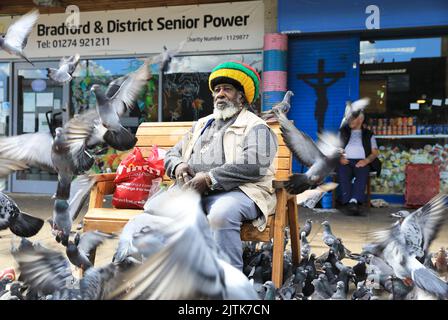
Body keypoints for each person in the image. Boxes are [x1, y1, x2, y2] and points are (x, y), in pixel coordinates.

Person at [164, 61, 278, 271]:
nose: (220, 94)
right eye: (217, 90)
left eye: (227, 89)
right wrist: (179, 165)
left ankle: (229, 283)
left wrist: (209, 178)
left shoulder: (257, 126)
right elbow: (171, 154)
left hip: (241, 192)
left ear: (242, 96)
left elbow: (254, 164)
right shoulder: (201, 125)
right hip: (195, 191)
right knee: (160, 211)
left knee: (221, 214)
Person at [337, 112, 381, 215]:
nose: (349, 121)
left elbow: (375, 152)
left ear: (360, 120)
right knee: (343, 172)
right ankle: (347, 201)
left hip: (362, 161)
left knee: (362, 174)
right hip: (345, 160)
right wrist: (340, 158)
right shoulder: (343, 132)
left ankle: (354, 201)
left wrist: (366, 161)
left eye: (352, 119)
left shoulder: (368, 134)